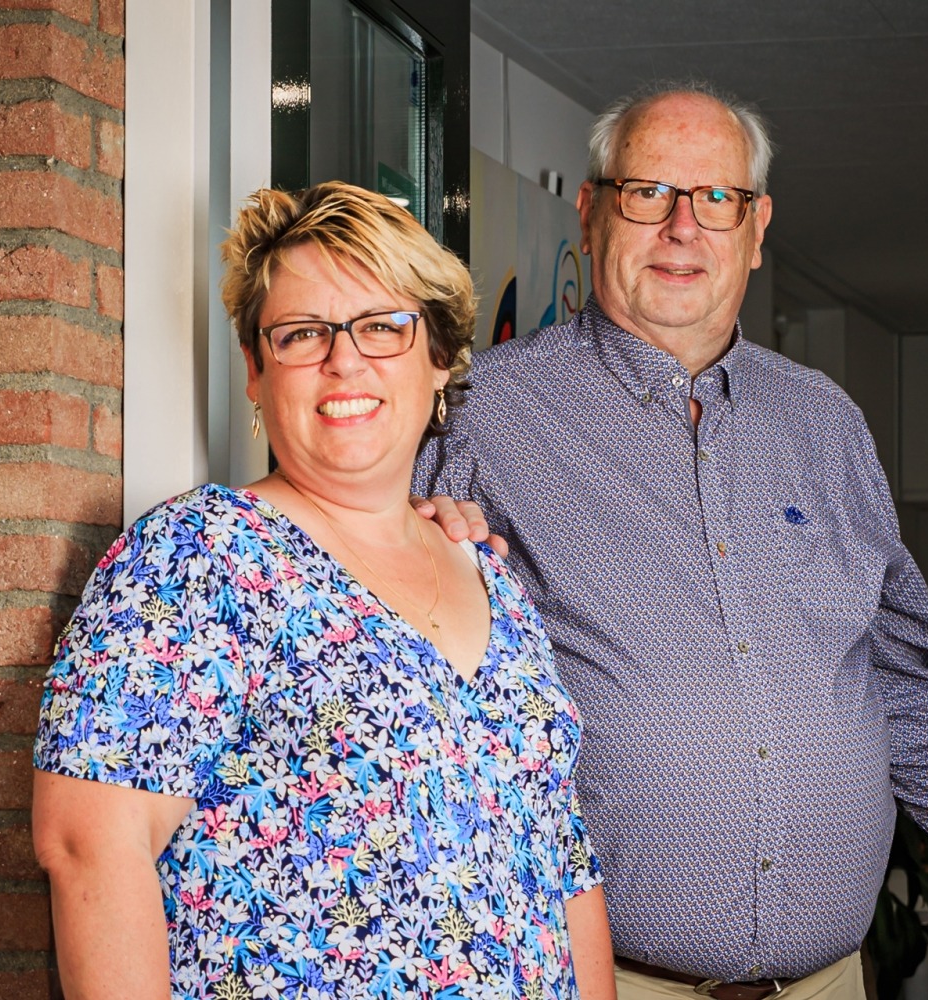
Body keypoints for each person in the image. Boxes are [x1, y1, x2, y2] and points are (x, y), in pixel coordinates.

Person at [414, 83, 928, 1000]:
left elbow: (896, 687)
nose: (683, 227)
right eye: (649, 192)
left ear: (757, 228)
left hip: (830, 983)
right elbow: (395, 674)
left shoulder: (825, 426)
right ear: (593, 211)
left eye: (716, 199)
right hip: (606, 982)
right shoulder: (484, 417)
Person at [32, 181, 616, 1000]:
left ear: (440, 358)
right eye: (304, 334)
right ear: (255, 370)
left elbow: (560, 860)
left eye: (383, 326)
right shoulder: (202, 556)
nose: (346, 360)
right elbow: (90, 846)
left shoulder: (491, 577)